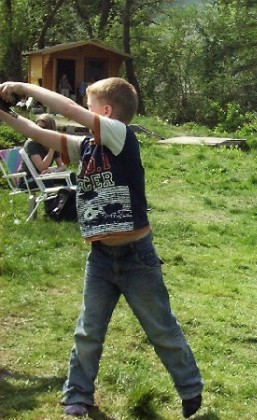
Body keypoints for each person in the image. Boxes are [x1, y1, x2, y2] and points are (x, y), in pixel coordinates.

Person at [0, 78, 204, 418]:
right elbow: (41, 135)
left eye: (89, 104)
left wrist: (25, 87)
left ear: (106, 112)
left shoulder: (120, 136)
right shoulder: (88, 147)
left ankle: (190, 387)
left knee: (160, 328)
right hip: (101, 258)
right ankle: (77, 395)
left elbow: (67, 109)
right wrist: (4, 113)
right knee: (88, 330)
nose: (82, 109)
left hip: (137, 256)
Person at [18, 114, 72, 189]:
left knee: (71, 176)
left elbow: (62, 166)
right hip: (28, 180)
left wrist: (53, 172)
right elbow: (42, 168)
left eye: (43, 128)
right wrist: (52, 148)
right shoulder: (31, 144)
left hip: (43, 177)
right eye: (38, 127)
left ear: (50, 129)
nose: (40, 130)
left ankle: (74, 199)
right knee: (47, 179)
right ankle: (53, 200)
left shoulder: (52, 142)